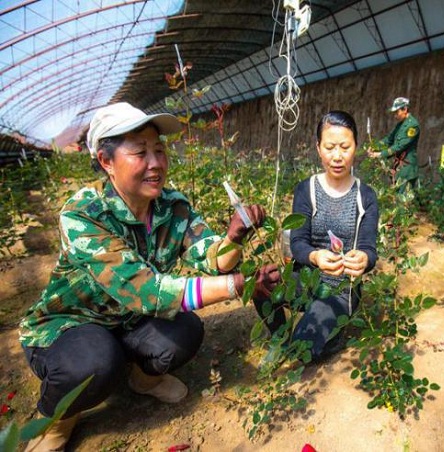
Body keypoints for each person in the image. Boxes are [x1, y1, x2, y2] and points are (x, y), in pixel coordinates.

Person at [18, 102, 280, 451]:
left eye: (159, 150)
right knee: (95, 361)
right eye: (140, 152)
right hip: (71, 325)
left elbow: (211, 258)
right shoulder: (83, 214)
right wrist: (238, 286)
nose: (156, 163)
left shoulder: (172, 206)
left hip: (128, 319)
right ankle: (55, 422)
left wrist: (233, 237)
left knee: (185, 331)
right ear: (106, 161)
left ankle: (143, 379)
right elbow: (144, 290)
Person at [253, 111, 379, 362]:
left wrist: (364, 259)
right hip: (306, 277)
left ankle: (327, 332)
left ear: (356, 147)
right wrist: (315, 255)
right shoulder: (306, 189)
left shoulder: (365, 196)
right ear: (318, 148)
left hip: (341, 288)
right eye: (330, 147)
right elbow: (298, 242)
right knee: (261, 285)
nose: (337, 156)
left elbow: (369, 248)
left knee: (304, 352)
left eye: (345, 147)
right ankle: (280, 338)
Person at [367, 96, 421, 193]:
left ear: (405, 109)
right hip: (398, 169)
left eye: (397, 112)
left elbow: (400, 146)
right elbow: (389, 139)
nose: (395, 116)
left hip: (407, 170)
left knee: (403, 202)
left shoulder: (412, 125)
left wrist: (380, 154)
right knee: (396, 199)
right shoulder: (400, 125)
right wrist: (375, 147)